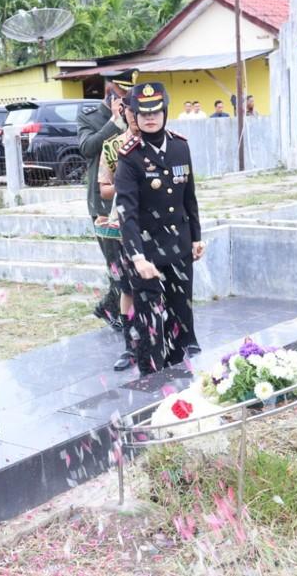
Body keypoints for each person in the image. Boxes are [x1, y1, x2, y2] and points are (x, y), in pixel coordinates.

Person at [115, 82, 204, 376]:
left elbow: (189, 197)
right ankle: (150, 385)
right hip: (147, 254)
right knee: (151, 324)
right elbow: (126, 212)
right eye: (143, 113)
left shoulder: (180, 146)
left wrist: (196, 238)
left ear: (164, 112)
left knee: (180, 318)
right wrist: (137, 258)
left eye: (155, 112)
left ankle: (180, 379)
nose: (150, 118)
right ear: (135, 117)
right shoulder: (129, 156)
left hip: (179, 247)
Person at [77, 68, 139, 332]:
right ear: (110, 90)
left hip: (133, 201)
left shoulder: (135, 112)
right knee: (116, 266)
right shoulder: (90, 116)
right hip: (104, 203)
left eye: (128, 93)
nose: (126, 98)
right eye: (122, 92)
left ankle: (114, 308)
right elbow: (87, 148)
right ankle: (111, 307)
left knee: (133, 263)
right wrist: (113, 122)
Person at [95, 96, 139, 371]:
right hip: (122, 224)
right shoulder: (112, 146)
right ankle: (130, 346)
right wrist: (127, 184)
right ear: (124, 112)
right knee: (127, 287)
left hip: (155, 225)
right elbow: (104, 189)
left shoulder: (159, 144)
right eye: (133, 112)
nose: (138, 118)